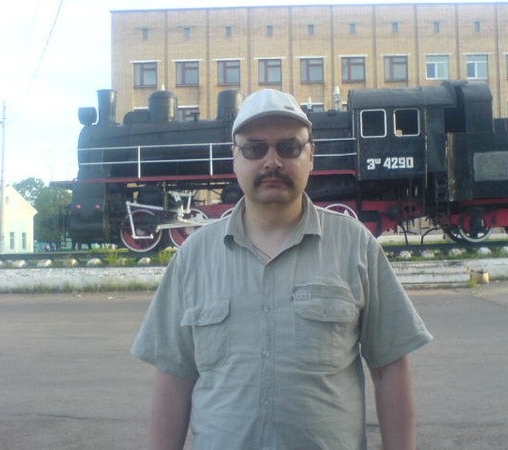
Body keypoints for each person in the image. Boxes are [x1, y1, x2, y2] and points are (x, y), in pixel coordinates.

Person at [131, 89, 433, 450]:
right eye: (254, 149)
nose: (272, 161)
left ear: (311, 156)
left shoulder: (356, 245)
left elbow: (390, 368)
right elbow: (174, 379)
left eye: (289, 147)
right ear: (234, 158)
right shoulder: (193, 256)